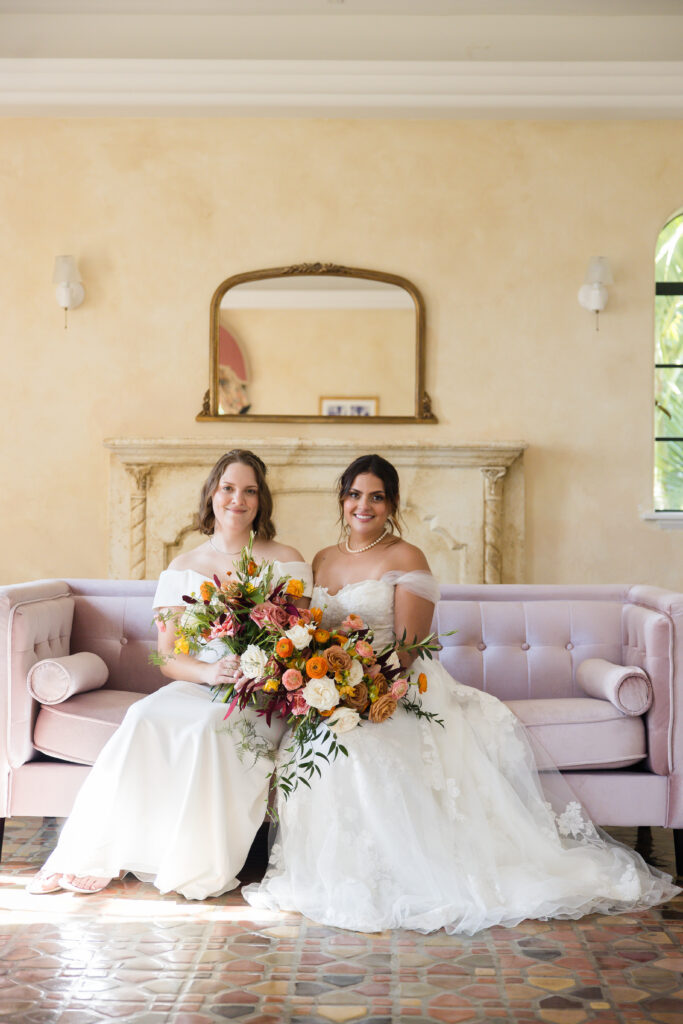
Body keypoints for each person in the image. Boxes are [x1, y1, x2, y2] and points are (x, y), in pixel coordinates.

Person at [243, 453, 680, 934]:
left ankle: (394, 873)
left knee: (359, 750)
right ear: (342, 499)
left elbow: (409, 648)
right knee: (309, 746)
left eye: (376, 497)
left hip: (396, 685)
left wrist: (361, 692)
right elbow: (306, 630)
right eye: (354, 495)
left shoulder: (407, 557)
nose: (363, 506)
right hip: (332, 688)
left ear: (392, 504)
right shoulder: (322, 558)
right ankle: (332, 871)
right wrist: (317, 684)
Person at [29, 449, 311, 899]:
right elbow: (166, 657)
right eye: (228, 488)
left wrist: (261, 671)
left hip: (260, 693)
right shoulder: (183, 569)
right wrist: (210, 671)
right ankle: (89, 854)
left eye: (249, 490)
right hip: (200, 682)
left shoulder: (287, 562)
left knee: (206, 728)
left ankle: (188, 862)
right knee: (142, 717)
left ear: (261, 500)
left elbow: (299, 642)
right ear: (212, 495)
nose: (238, 499)